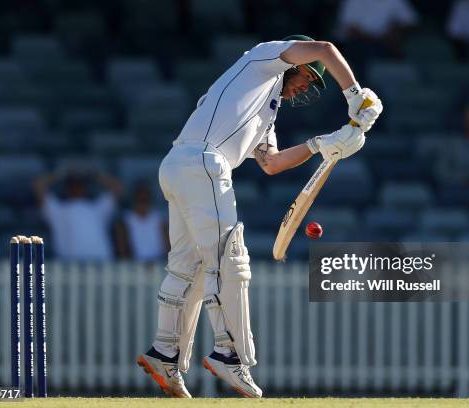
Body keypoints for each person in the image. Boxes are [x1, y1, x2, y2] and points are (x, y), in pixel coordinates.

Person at [135, 35, 383, 398]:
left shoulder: (265, 108)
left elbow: (271, 163)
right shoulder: (263, 58)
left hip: (178, 167)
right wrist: (355, 97)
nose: (302, 88)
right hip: (204, 163)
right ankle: (230, 354)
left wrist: (322, 144)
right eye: (305, 78)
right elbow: (325, 50)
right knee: (229, 261)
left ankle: (164, 353)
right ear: (293, 65)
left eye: (310, 85)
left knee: (188, 267)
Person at [33, 168, 123, 261]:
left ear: (86, 187)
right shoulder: (58, 210)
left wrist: (93, 173)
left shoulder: (98, 208)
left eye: (80, 184)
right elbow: (38, 185)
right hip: (69, 265)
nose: (76, 187)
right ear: (67, 187)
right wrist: (61, 172)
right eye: (73, 184)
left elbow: (117, 187)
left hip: (103, 263)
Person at [114, 182, 168, 261]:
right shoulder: (125, 220)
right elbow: (122, 247)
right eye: (140, 200)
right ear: (134, 200)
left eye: (146, 200)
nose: (143, 204)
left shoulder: (159, 219)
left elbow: (168, 246)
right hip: (135, 265)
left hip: (158, 264)